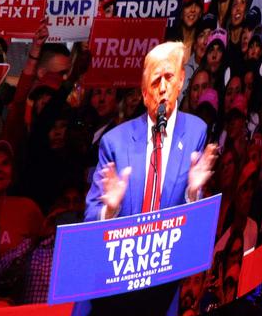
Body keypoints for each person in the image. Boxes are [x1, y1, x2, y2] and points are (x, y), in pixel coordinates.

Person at [85, 41, 217, 222]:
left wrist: (192, 194)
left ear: (180, 81)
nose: (163, 88)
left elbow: (198, 221)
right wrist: (110, 210)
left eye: (169, 77)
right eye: (155, 81)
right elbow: (90, 217)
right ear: (145, 94)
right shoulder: (114, 142)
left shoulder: (195, 132)